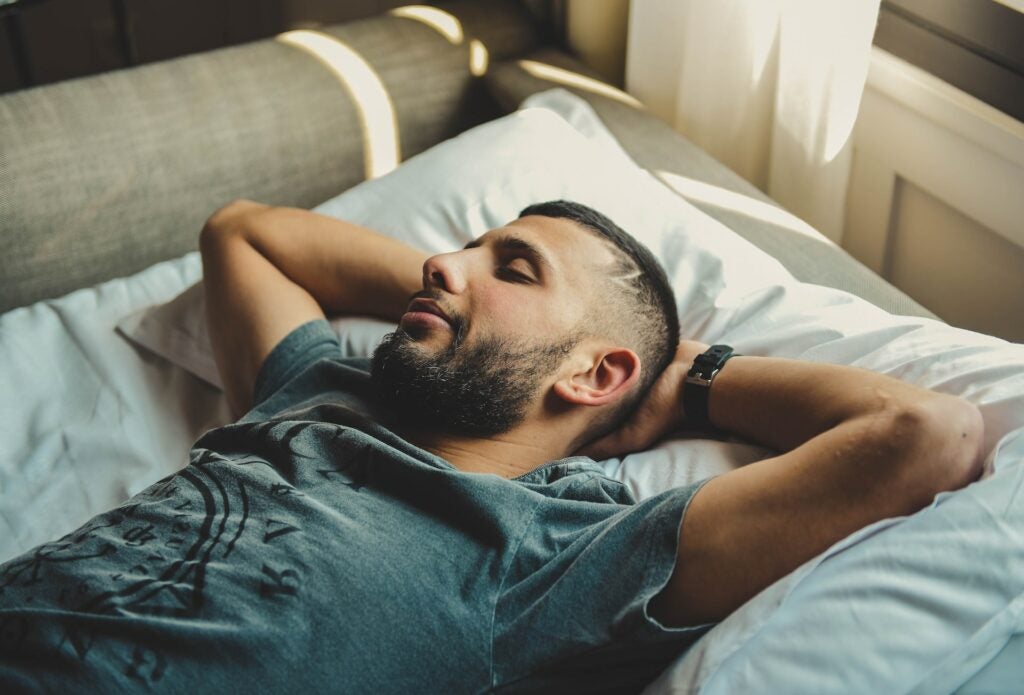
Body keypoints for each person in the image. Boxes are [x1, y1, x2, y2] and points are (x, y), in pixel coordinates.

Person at [0, 199, 983, 692]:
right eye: (464, 247)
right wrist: (460, 299)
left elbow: (924, 431)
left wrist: (678, 374)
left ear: (595, 375)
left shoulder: (561, 556)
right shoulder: (316, 389)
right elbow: (245, 232)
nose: (439, 260)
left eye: (510, 264)